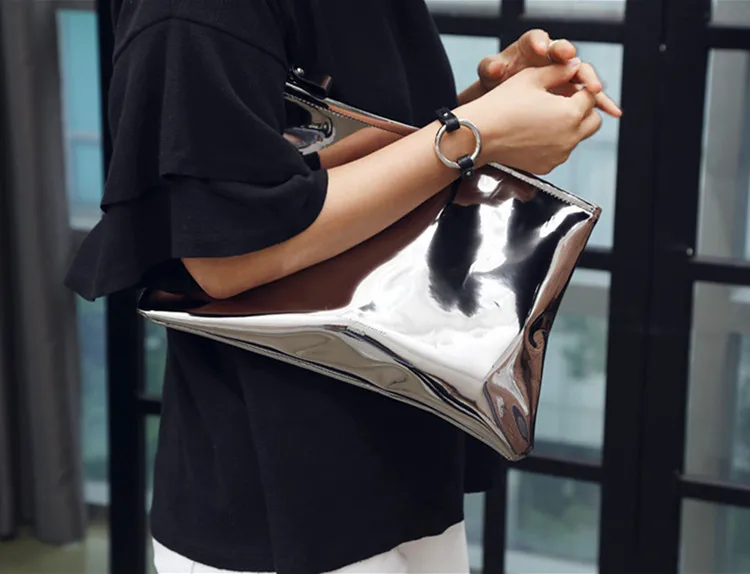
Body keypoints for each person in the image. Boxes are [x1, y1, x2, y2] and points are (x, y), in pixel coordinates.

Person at [66, 1, 621, 573]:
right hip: (277, 493)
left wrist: (482, 113)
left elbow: (327, 168)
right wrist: (471, 135)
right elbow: (222, 254)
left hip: (404, 451)